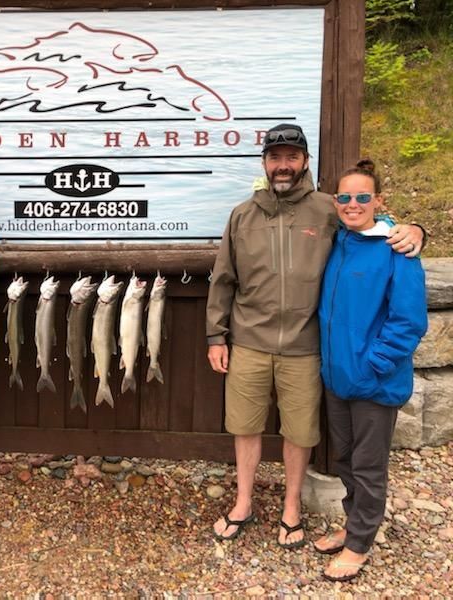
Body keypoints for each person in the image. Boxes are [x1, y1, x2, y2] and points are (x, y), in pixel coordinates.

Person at [205, 124, 425, 549]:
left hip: (306, 348)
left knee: (300, 432)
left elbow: (373, 229)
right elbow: (224, 280)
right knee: (244, 427)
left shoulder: (328, 210)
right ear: (265, 163)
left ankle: (291, 508)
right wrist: (217, 335)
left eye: (291, 157)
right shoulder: (242, 215)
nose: (283, 165)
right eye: (275, 157)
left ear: (305, 161)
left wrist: (414, 229)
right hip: (249, 341)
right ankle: (243, 502)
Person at [313, 159, 426, 582]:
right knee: (343, 458)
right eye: (344, 197)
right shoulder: (338, 241)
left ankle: (360, 542)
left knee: (368, 464)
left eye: (363, 196)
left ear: (378, 200)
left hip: (374, 380)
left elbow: (409, 319)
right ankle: (352, 522)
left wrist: (375, 364)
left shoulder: (396, 247)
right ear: (336, 202)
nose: (353, 204)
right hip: (337, 377)